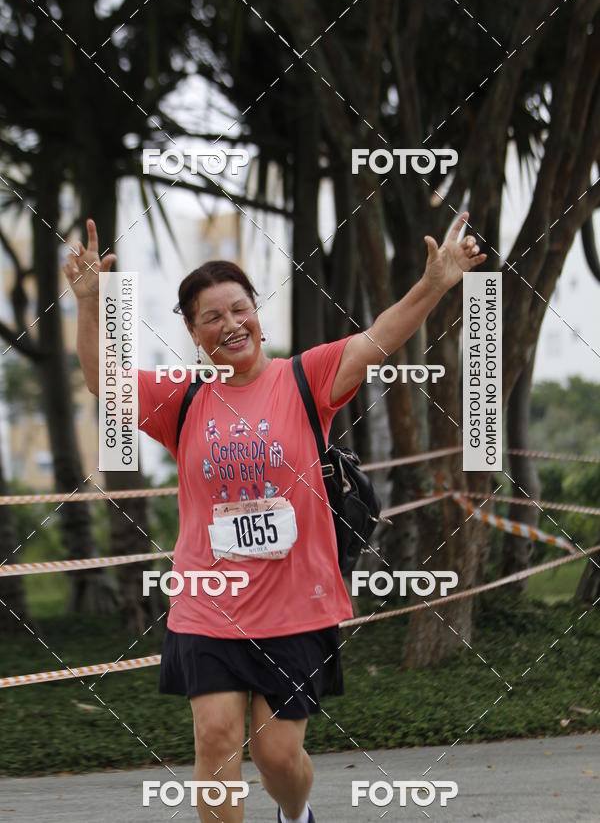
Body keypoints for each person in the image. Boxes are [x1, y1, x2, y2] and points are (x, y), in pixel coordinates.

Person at [66, 214, 486, 823]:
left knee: (279, 758)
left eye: (240, 309)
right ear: (192, 330)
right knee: (214, 739)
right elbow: (104, 381)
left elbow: (380, 337)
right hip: (208, 601)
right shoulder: (183, 400)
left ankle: (297, 815)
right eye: (212, 317)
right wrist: (86, 305)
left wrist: (436, 284)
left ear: (256, 312)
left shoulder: (303, 376)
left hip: (295, 605)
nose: (231, 325)